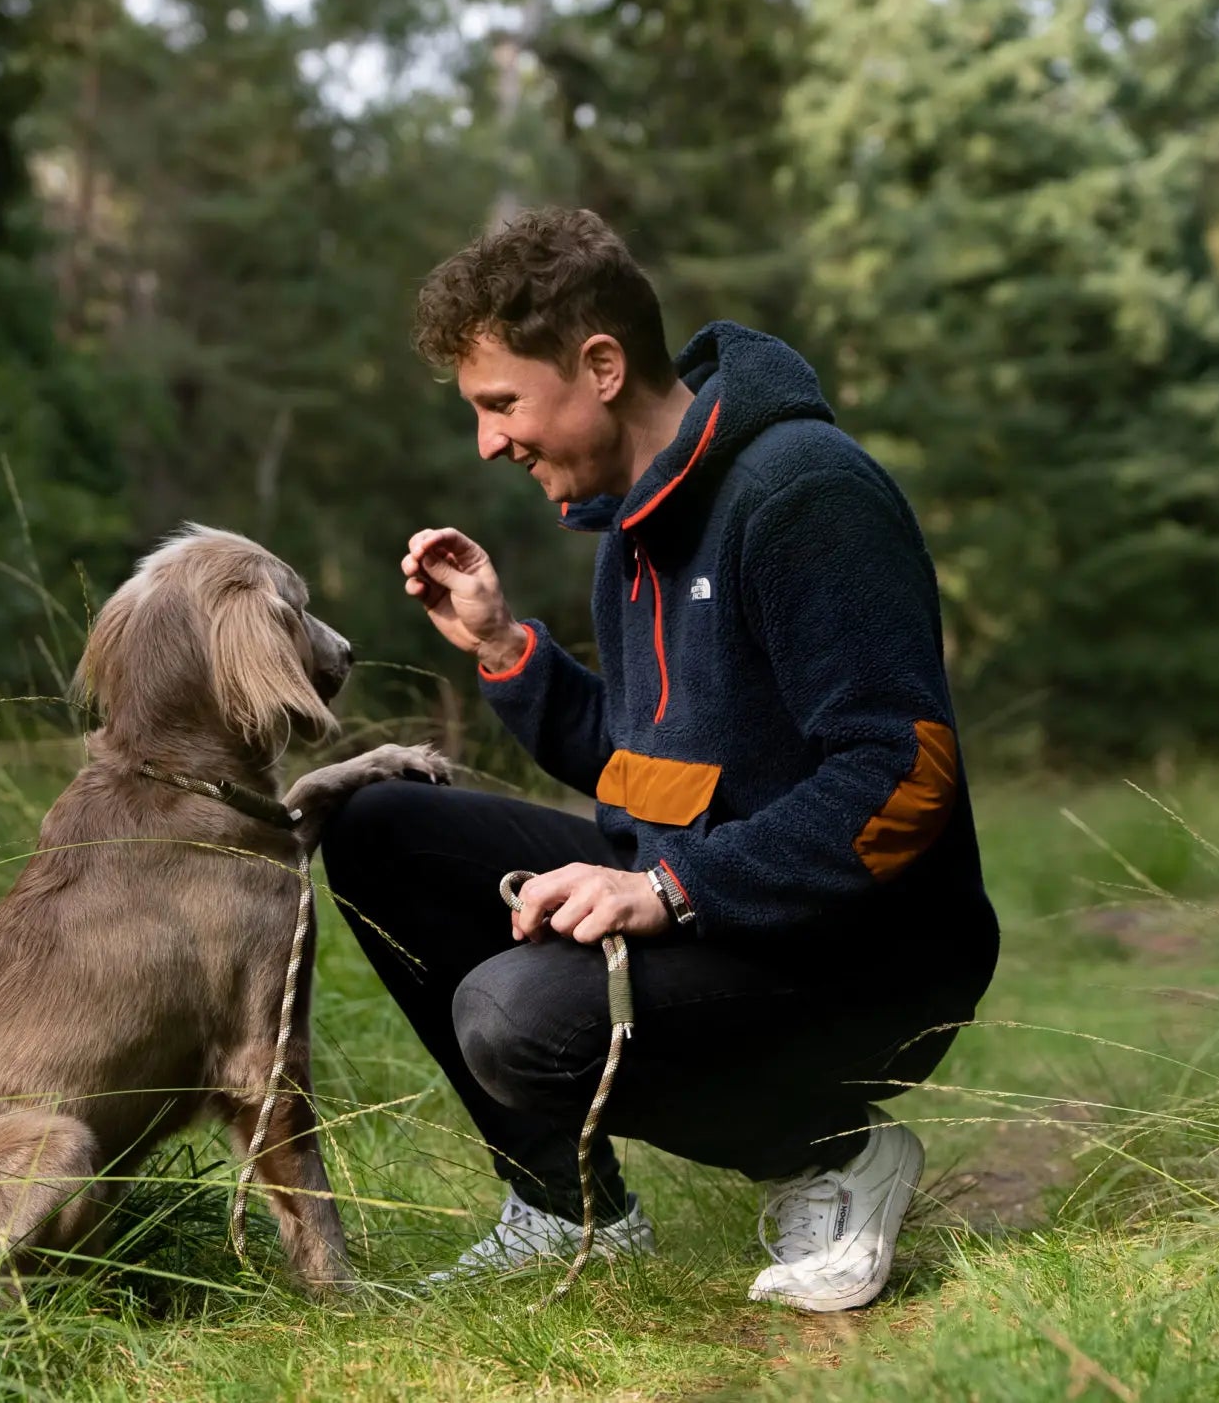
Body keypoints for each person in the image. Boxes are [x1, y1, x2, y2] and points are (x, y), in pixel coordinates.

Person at [319, 207, 998, 1312]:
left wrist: (667, 888)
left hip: (863, 955)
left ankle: (830, 1151)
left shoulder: (802, 494)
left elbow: (900, 775)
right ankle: (564, 1202)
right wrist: (501, 645)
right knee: (380, 827)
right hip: (719, 907)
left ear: (598, 364)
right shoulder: (637, 529)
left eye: (500, 403)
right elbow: (650, 768)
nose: (489, 441)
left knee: (514, 1015)